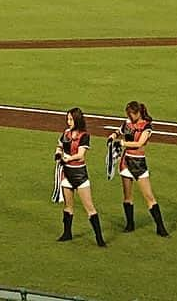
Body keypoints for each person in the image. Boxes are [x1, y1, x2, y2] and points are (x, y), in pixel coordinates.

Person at [108, 101, 168, 236]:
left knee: (149, 196)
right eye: (129, 114)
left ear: (139, 112)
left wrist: (123, 143)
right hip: (126, 161)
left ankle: (160, 227)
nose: (130, 116)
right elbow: (120, 130)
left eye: (132, 114)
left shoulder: (147, 126)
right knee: (127, 196)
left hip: (139, 162)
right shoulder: (127, 123)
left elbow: (140, 143)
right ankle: (130, 224)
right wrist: (113, 135)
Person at [54, 107, 106, 246]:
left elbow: (81, 155)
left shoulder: (84, 136)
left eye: (71, 119)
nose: (68, 121)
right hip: (67, 174)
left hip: (79, 174)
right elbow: (59, 146)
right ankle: (67, 233)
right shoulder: (66, 133)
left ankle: (99, 238)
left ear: (77, 119)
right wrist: (58, 153)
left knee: (89, 207)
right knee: (68, 206)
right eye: (68, 118)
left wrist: (67, 159)